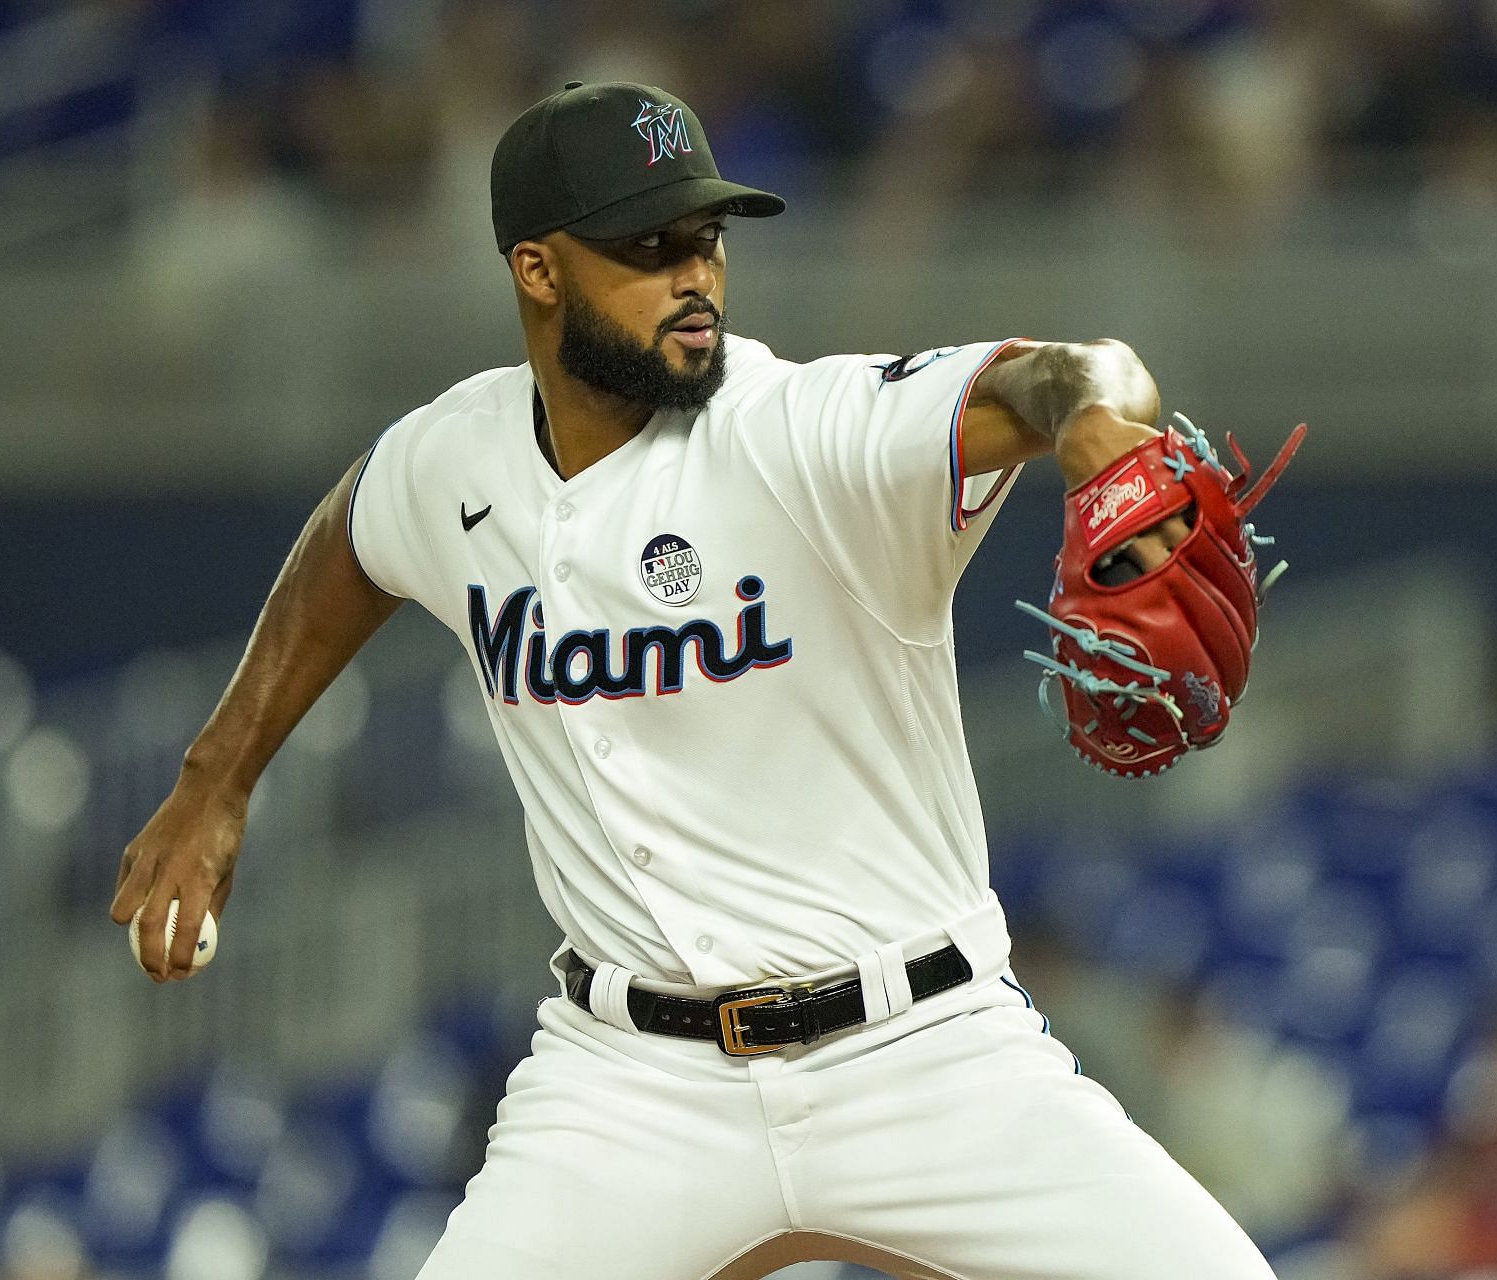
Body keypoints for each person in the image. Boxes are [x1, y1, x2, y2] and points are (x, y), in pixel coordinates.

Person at [110, 80, 1274, 1280]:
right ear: (537, 268)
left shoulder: (805, 432)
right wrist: (218, 775)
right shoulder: (452, 457)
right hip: (630, 1084)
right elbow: (350, 539)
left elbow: (1072, 372)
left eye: (706, 238)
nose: (695, 274)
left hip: (922, 1051)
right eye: (647, 246)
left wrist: (1095, 426)